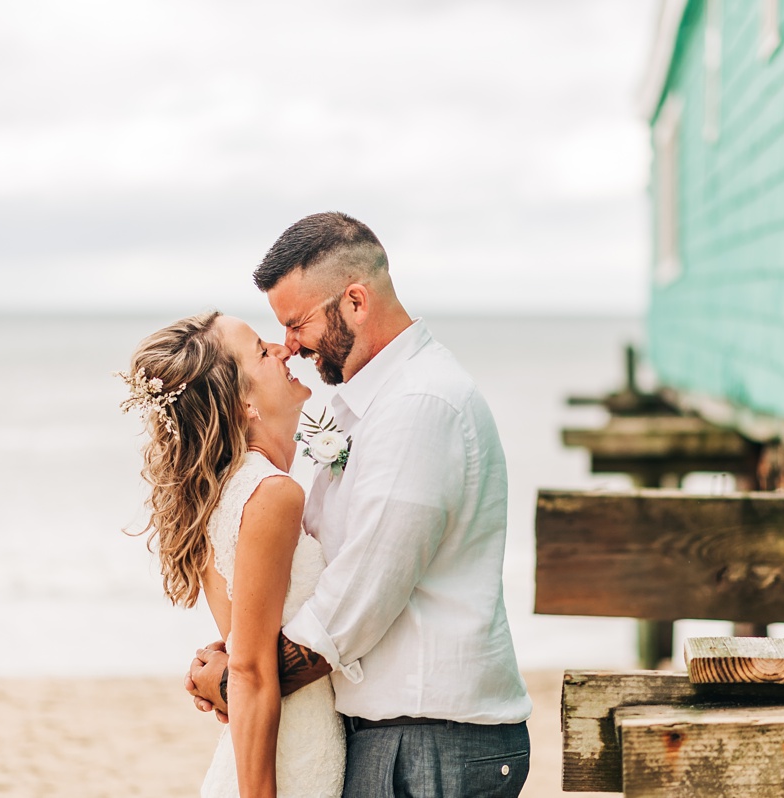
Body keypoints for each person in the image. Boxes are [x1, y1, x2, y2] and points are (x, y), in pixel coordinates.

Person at [182, 212, 532, 797]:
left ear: (355, 301)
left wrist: (244, 677)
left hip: (432, 740)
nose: (289, 346)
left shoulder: (420, 406)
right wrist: (242, 663)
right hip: (399, 736)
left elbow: (359, 598)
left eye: (297, 323)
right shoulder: (367, 405)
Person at [122, 311, 344, 797]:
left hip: (283, 740)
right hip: (291, 754)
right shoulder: (269, 493)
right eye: (264, 351)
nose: (285, 350)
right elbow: (250, 668)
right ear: (244, 402)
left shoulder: (222, 489)